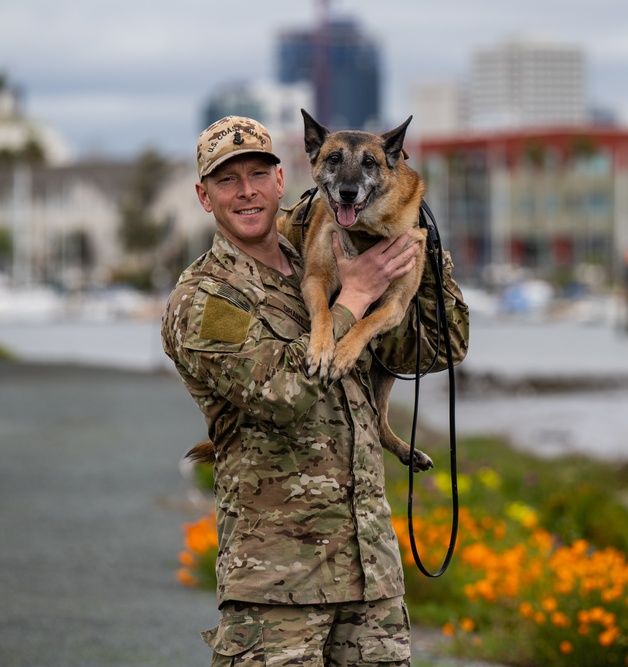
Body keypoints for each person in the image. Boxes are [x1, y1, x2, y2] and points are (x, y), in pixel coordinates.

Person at [161, 116, 470, 666]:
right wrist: (352, 298)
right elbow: (282, 393)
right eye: (227, 181)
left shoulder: (334, 240)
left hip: (371, 574)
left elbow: (434, 352)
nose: (247, 191)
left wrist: (416, 247)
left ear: (283, 180)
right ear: (204, 197)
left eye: (258, 173)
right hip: (277, 587)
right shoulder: (205, 300)